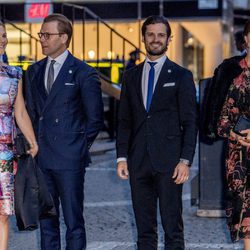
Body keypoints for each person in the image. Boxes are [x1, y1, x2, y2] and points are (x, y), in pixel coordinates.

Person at [116, 15, 197, 249]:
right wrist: (122, 157)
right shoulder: (130, 76)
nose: (155, 39)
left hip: (170, 163)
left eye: (161, 35)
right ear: (143, 38)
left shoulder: (181, 76)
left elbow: (190, 122)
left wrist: (185, 160)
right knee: (144, 230)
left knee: (173, 229)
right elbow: (124, 121)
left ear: (168, 39)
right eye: (150, 34)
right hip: (138, 161)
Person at [24, 14, 103, 250]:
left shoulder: (83, 72)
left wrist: (77, 148)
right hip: (41, 160)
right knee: (47, 222)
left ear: (64, 37)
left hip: (70, 161)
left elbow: (95, 119)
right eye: (41, 34)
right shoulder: (33, 71)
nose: (42, 40)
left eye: (47, 35)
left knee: (73, 222)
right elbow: (28, 112)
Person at [0, 22, 38, 250]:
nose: (2, 39)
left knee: (2, 213)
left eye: (4, 35)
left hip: (4, 154)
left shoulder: (14, 74)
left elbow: (20, 111)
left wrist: (32, 141)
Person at [217, 19, 250, 249]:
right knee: (246, 215)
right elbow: (218, 121)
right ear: (246, 38)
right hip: (239, 158)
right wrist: (237, 135)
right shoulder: (230, 71)